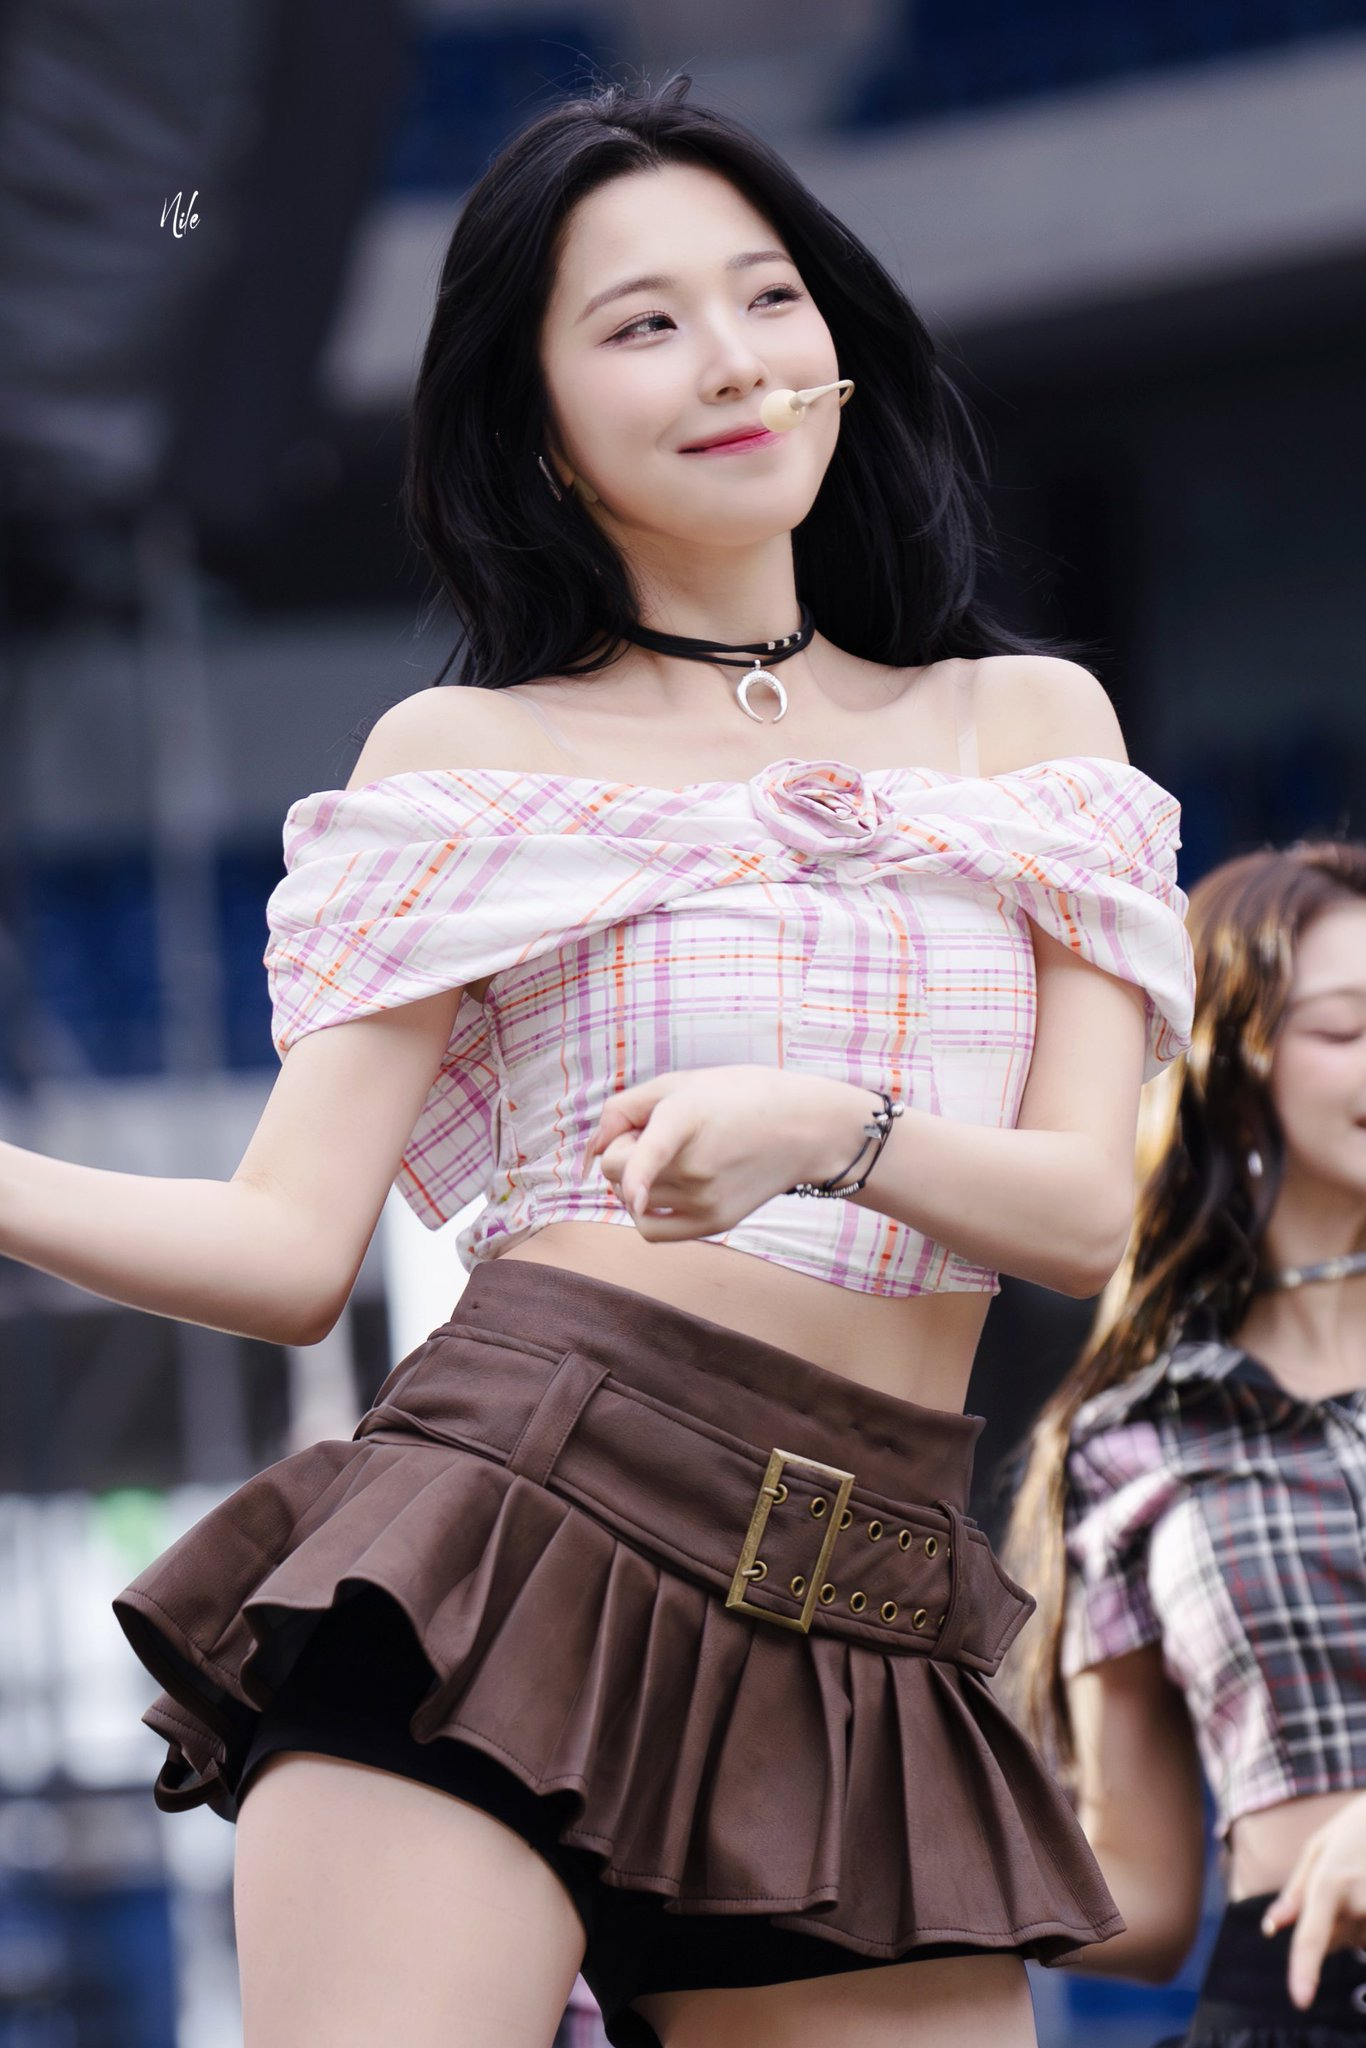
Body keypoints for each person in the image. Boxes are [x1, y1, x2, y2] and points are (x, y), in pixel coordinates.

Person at [1, 76, 1195, 2048]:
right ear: (537, 432)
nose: (730, 358)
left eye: (766, 296)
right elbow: (286, 1248)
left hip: (868, 1604)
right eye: (641, 323)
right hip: (518, 1533)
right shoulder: (466, 760)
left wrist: (825, 1131)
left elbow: (1081, 1216)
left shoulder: (1031, 728)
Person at [1003, 839, 1366, 2046]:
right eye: (1344, 1026)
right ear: (1231, 1058)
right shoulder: (1130, 1435)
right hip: (1292, 2012)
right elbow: (1142, 1897)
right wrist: (868, 1847)